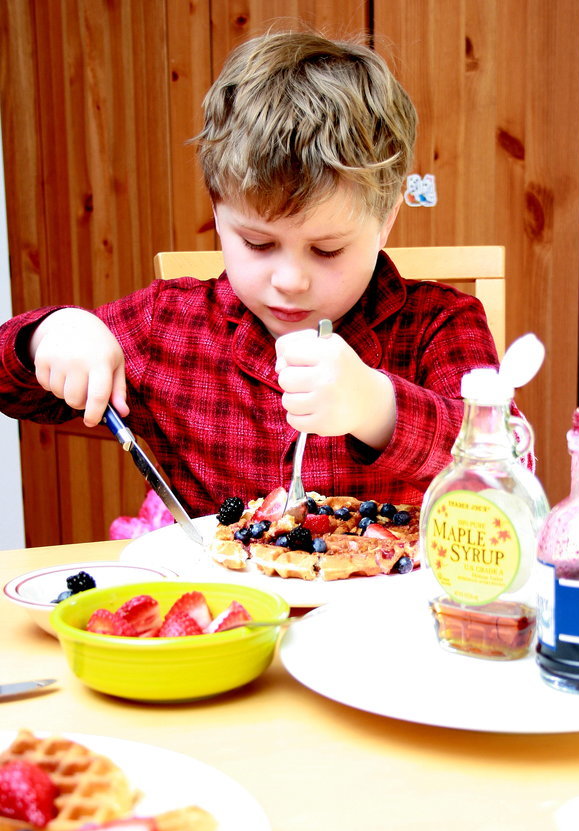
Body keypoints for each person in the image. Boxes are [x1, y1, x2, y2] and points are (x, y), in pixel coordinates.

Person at [0, 29, 505, 515]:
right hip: (221, 579)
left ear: (386, 221)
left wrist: (378, 408)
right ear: (217, 212)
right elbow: (9, 386)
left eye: (327, 250)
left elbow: (507, 476)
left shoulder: (441, 325)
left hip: (392, 579)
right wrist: (48, 336)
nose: (290, 280)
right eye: (258, 244)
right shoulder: (168, 325)